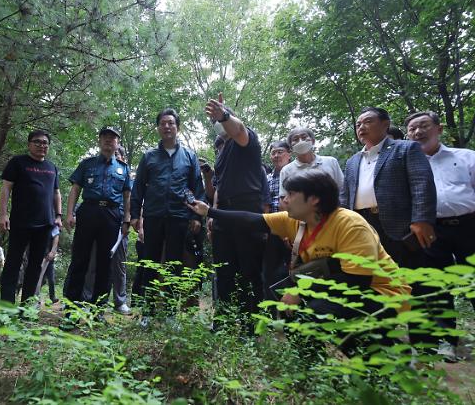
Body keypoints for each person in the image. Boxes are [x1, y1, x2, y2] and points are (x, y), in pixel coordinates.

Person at [188, 171, 411, 352]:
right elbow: (252, 220)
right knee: (291, 311)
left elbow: (358, 280)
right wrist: (210, 212)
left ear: (313, 199)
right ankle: (312, 374)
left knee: (313, 315)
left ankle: (380, 357)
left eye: (291, 194)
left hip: (380, 292)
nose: (283, 200)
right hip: (337, 286)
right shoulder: (296, 221)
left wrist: (302, 291)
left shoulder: (350, 225)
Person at [342, 107, 436, 349]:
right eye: (358, 124)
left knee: (414, 281)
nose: (361, 127)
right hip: (364, 228)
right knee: (375, 282)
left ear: (385, 124)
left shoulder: (405, 149)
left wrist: (421, 219)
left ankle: (424, 344)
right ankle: (382, 338)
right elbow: (345, 197)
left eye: (367, 121)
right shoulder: (353, 161)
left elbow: (421, 182)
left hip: (401, 227)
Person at [406, 110, 475, 361]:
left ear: (439, 128)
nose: (417, 132)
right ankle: (447, 340)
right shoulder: (408, 163)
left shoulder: (465, 156)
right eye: (412, 129)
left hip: (469, 226)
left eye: (423, 126)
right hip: (430, 230)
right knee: (437, 286)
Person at [130, 108, 206, 315]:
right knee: (150, 263)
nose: (167, 126)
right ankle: (148, 312)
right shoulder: (149, 157)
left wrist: (197, 216)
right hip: (154, 216)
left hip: (179, 217)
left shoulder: (189, 156)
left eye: (171, 123)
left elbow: (197, 189)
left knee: (174, 264)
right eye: (163, 123)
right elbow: (138, 187)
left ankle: (171, 312)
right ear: (158, 128)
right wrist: (136, 215)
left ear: (177, 128)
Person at [204, 93, 270, 323]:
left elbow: (239, 129)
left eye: (220, 120)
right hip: (223, 214)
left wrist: (224, 115)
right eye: (215, 121)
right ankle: (223, 320)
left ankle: (251, 323)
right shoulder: (222, 152)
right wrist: (213, 213)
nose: (218, 125)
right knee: (224, 271)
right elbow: (219, 185)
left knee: (248, 270)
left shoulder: (247, 139)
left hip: (246, 210)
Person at [63, 127, 131, 315]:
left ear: (117, 143)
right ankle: (71, 311)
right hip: (88, 211)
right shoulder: (87, 164)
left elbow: (127, 196)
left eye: (113, 138)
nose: (109, 141)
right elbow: (76, 189)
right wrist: (69, 214)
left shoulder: (124, 168)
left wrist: (127, 220)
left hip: (111, 215)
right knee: (80, 260)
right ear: (99, 141)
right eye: (105, 137)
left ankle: (97, 310)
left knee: (105, 264)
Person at [0, 130, 62, 305]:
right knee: (12, 263)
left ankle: (27, 307)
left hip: (45, 224)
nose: (42, 145)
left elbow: (57, 193)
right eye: (38, 142)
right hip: (20, 222)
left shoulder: (51, 167)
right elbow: (5, 189)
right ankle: (6, 306)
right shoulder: (18, 162)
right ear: (29, 144)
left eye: (45, 143)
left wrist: (58, 215)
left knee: (35, 267)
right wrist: (3, 214)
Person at [278, 127, 344, 199]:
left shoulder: (331, 162)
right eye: (295, 139)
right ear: (291, 147)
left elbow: (343, 189)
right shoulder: (286, 171)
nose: (300, 141)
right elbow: (284, 198)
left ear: (313, 141)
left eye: (304, 137)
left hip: (334, 209)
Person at [264, 141, 292, 301]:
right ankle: (272, 309)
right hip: (272, 230)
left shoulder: (296, 174)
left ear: (289, 154)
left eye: (280, 152)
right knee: (270, 270)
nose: (276, 156)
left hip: (294, 229)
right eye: (273, 153)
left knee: (294, 268)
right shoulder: (267, 178)